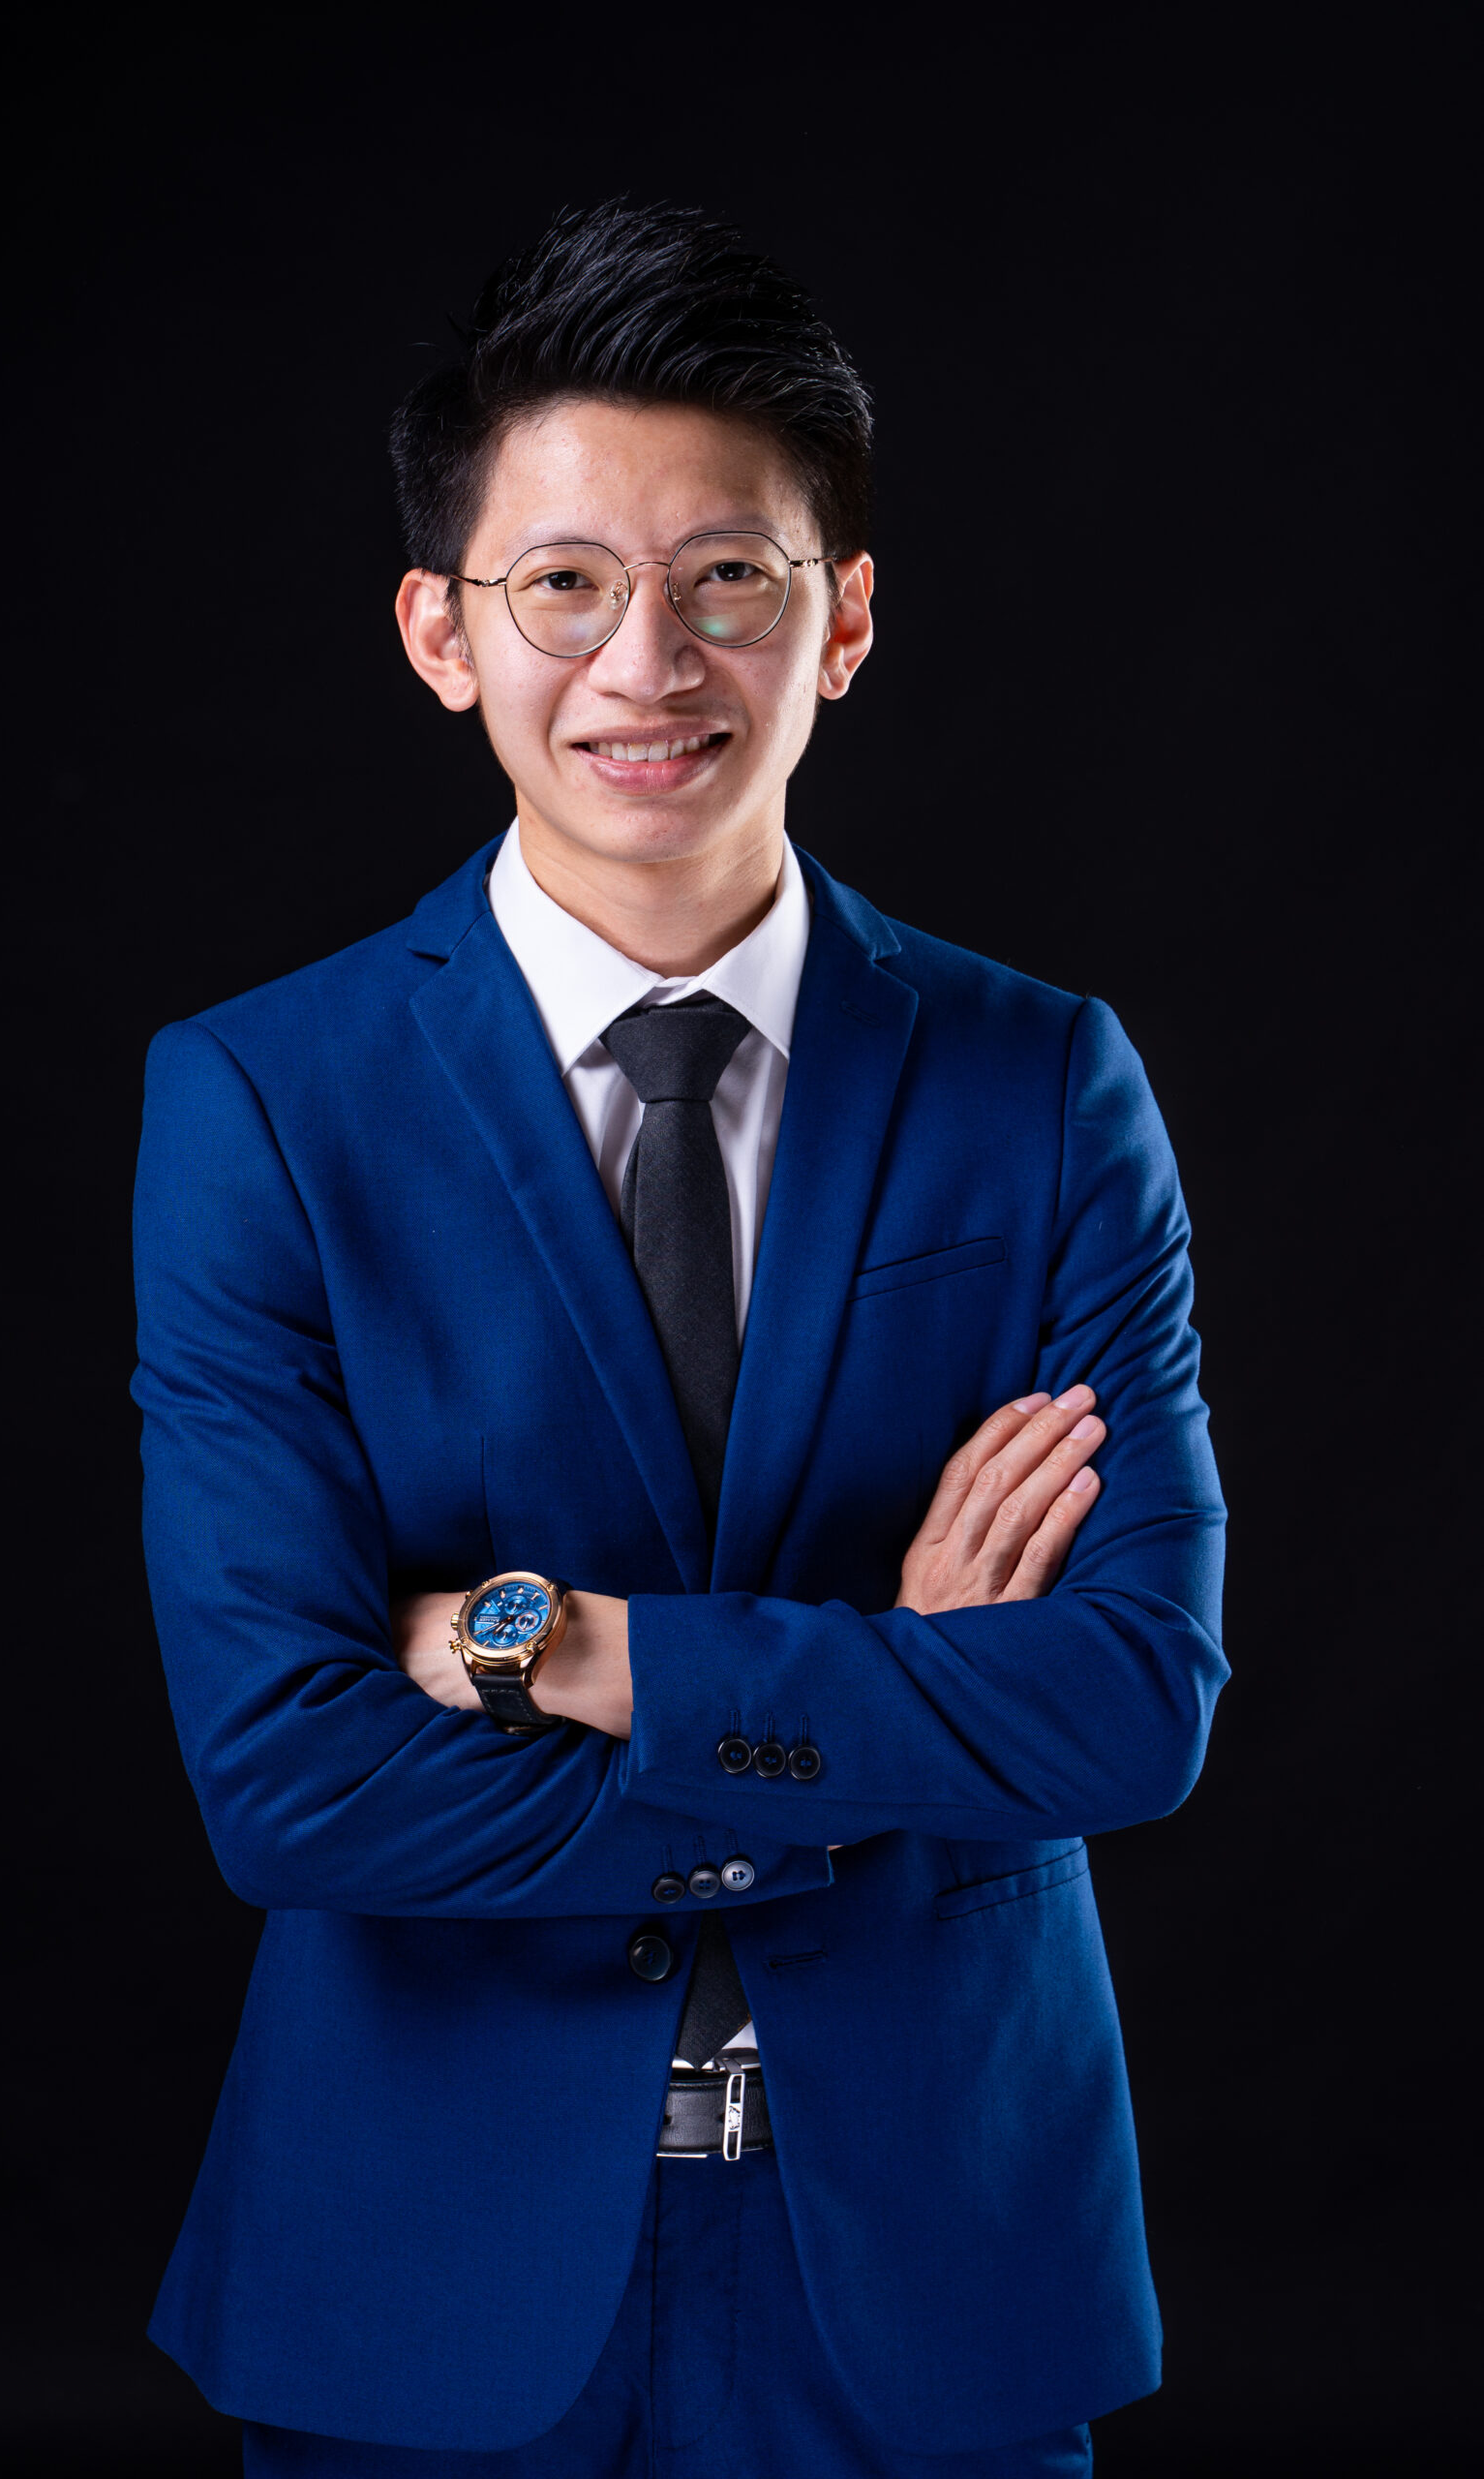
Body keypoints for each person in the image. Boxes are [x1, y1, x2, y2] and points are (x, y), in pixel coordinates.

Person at [132, 200, 1228, 2479]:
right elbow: (289, 1776)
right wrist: (889, 1704)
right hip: (420, 2256)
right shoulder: (262, 1098)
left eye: (727, 574)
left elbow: (1129, 1703)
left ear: (843, 618)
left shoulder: (1040, 1081)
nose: (647, 659)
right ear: (443, 633)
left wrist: (573, 1647)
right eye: (564, 582)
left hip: (929, 2261)